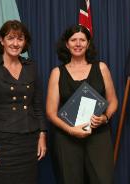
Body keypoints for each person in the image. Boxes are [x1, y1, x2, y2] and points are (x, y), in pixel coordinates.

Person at [46, 25, 118, 184]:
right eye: (73, 40)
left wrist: (105, 118)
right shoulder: (57, 73)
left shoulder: (101, 68)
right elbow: (50, 112)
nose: (78, 44)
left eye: (82, 40)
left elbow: (113, 101)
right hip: (67, 137)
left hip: (99, 135)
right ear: (67, 44)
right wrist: (72, 131)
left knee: (103, 180)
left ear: (88, 43)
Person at [0, 20, 47, 184]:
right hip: (1, 142)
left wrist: (42, 135)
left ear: (25, 42)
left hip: (29, 140)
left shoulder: (31, 66)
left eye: (20, 39)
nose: (15, 43)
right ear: (2, 40)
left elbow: (37, 105)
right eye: (10, 38)